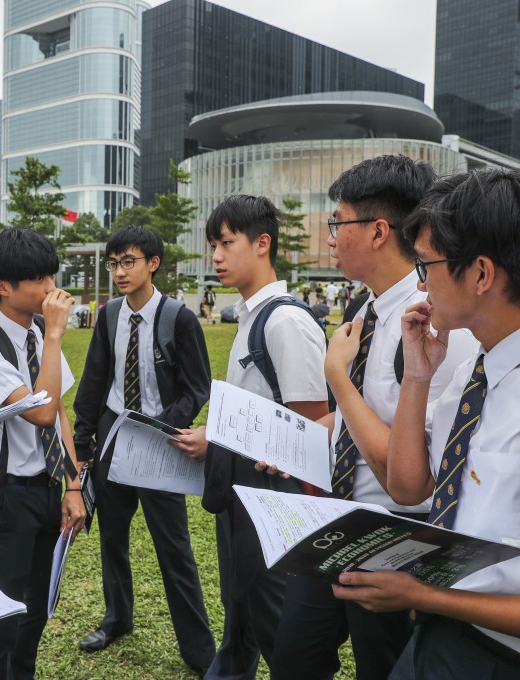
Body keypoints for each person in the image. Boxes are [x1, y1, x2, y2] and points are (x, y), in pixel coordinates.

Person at [334, 168, 520, 678]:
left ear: (480, 274)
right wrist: (417, 375)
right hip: (442, 637)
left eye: (426, 265)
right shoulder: (475, 372)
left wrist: (429, 595)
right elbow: (410, 488)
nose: (420, 281)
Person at [269, 155, 479, 680]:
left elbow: (415, 468)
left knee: (381, 665)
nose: (331, 236)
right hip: (341, 520)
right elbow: (355, 421)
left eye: (338, 222)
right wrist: (296, 438)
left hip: (397, 533)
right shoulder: (364, 310)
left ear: (379, 230)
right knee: (293, 654)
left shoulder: (436, 324)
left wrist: (336, 375)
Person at [172, 195, 329, 679]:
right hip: (240, 496)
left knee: (278, 629)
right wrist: (216, 435)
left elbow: (310, 430)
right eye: (213, 245)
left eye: (226, 243)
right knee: (240, 617)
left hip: (275, 504)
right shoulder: (250, 317)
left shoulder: (286, 321)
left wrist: (217, 438)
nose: (216, 256)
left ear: (263, 244)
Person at [73, 225, 215, 674]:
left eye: (128, 261)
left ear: (153, 263)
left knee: (174, 549)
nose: (119, 271)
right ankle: (117, 619)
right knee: (112, 540)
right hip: (114, 440)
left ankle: (197, 648)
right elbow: (96, 379)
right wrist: (83, 441)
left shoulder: (179, 318)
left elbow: (198, 387)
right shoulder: (110, 315)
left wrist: (163, 426)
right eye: (114, 263)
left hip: (159, 443)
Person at [0, 227, 87, 680]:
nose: (51, 287)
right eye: (38, 278)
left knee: (35, 609)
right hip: (2, 496)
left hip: (44, 488)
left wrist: (73, 484)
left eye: (51, 274)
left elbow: (63, 415)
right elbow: (41, 412)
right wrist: (54, 337)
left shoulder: (36, 334)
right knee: (2, 614)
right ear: (3, 287)